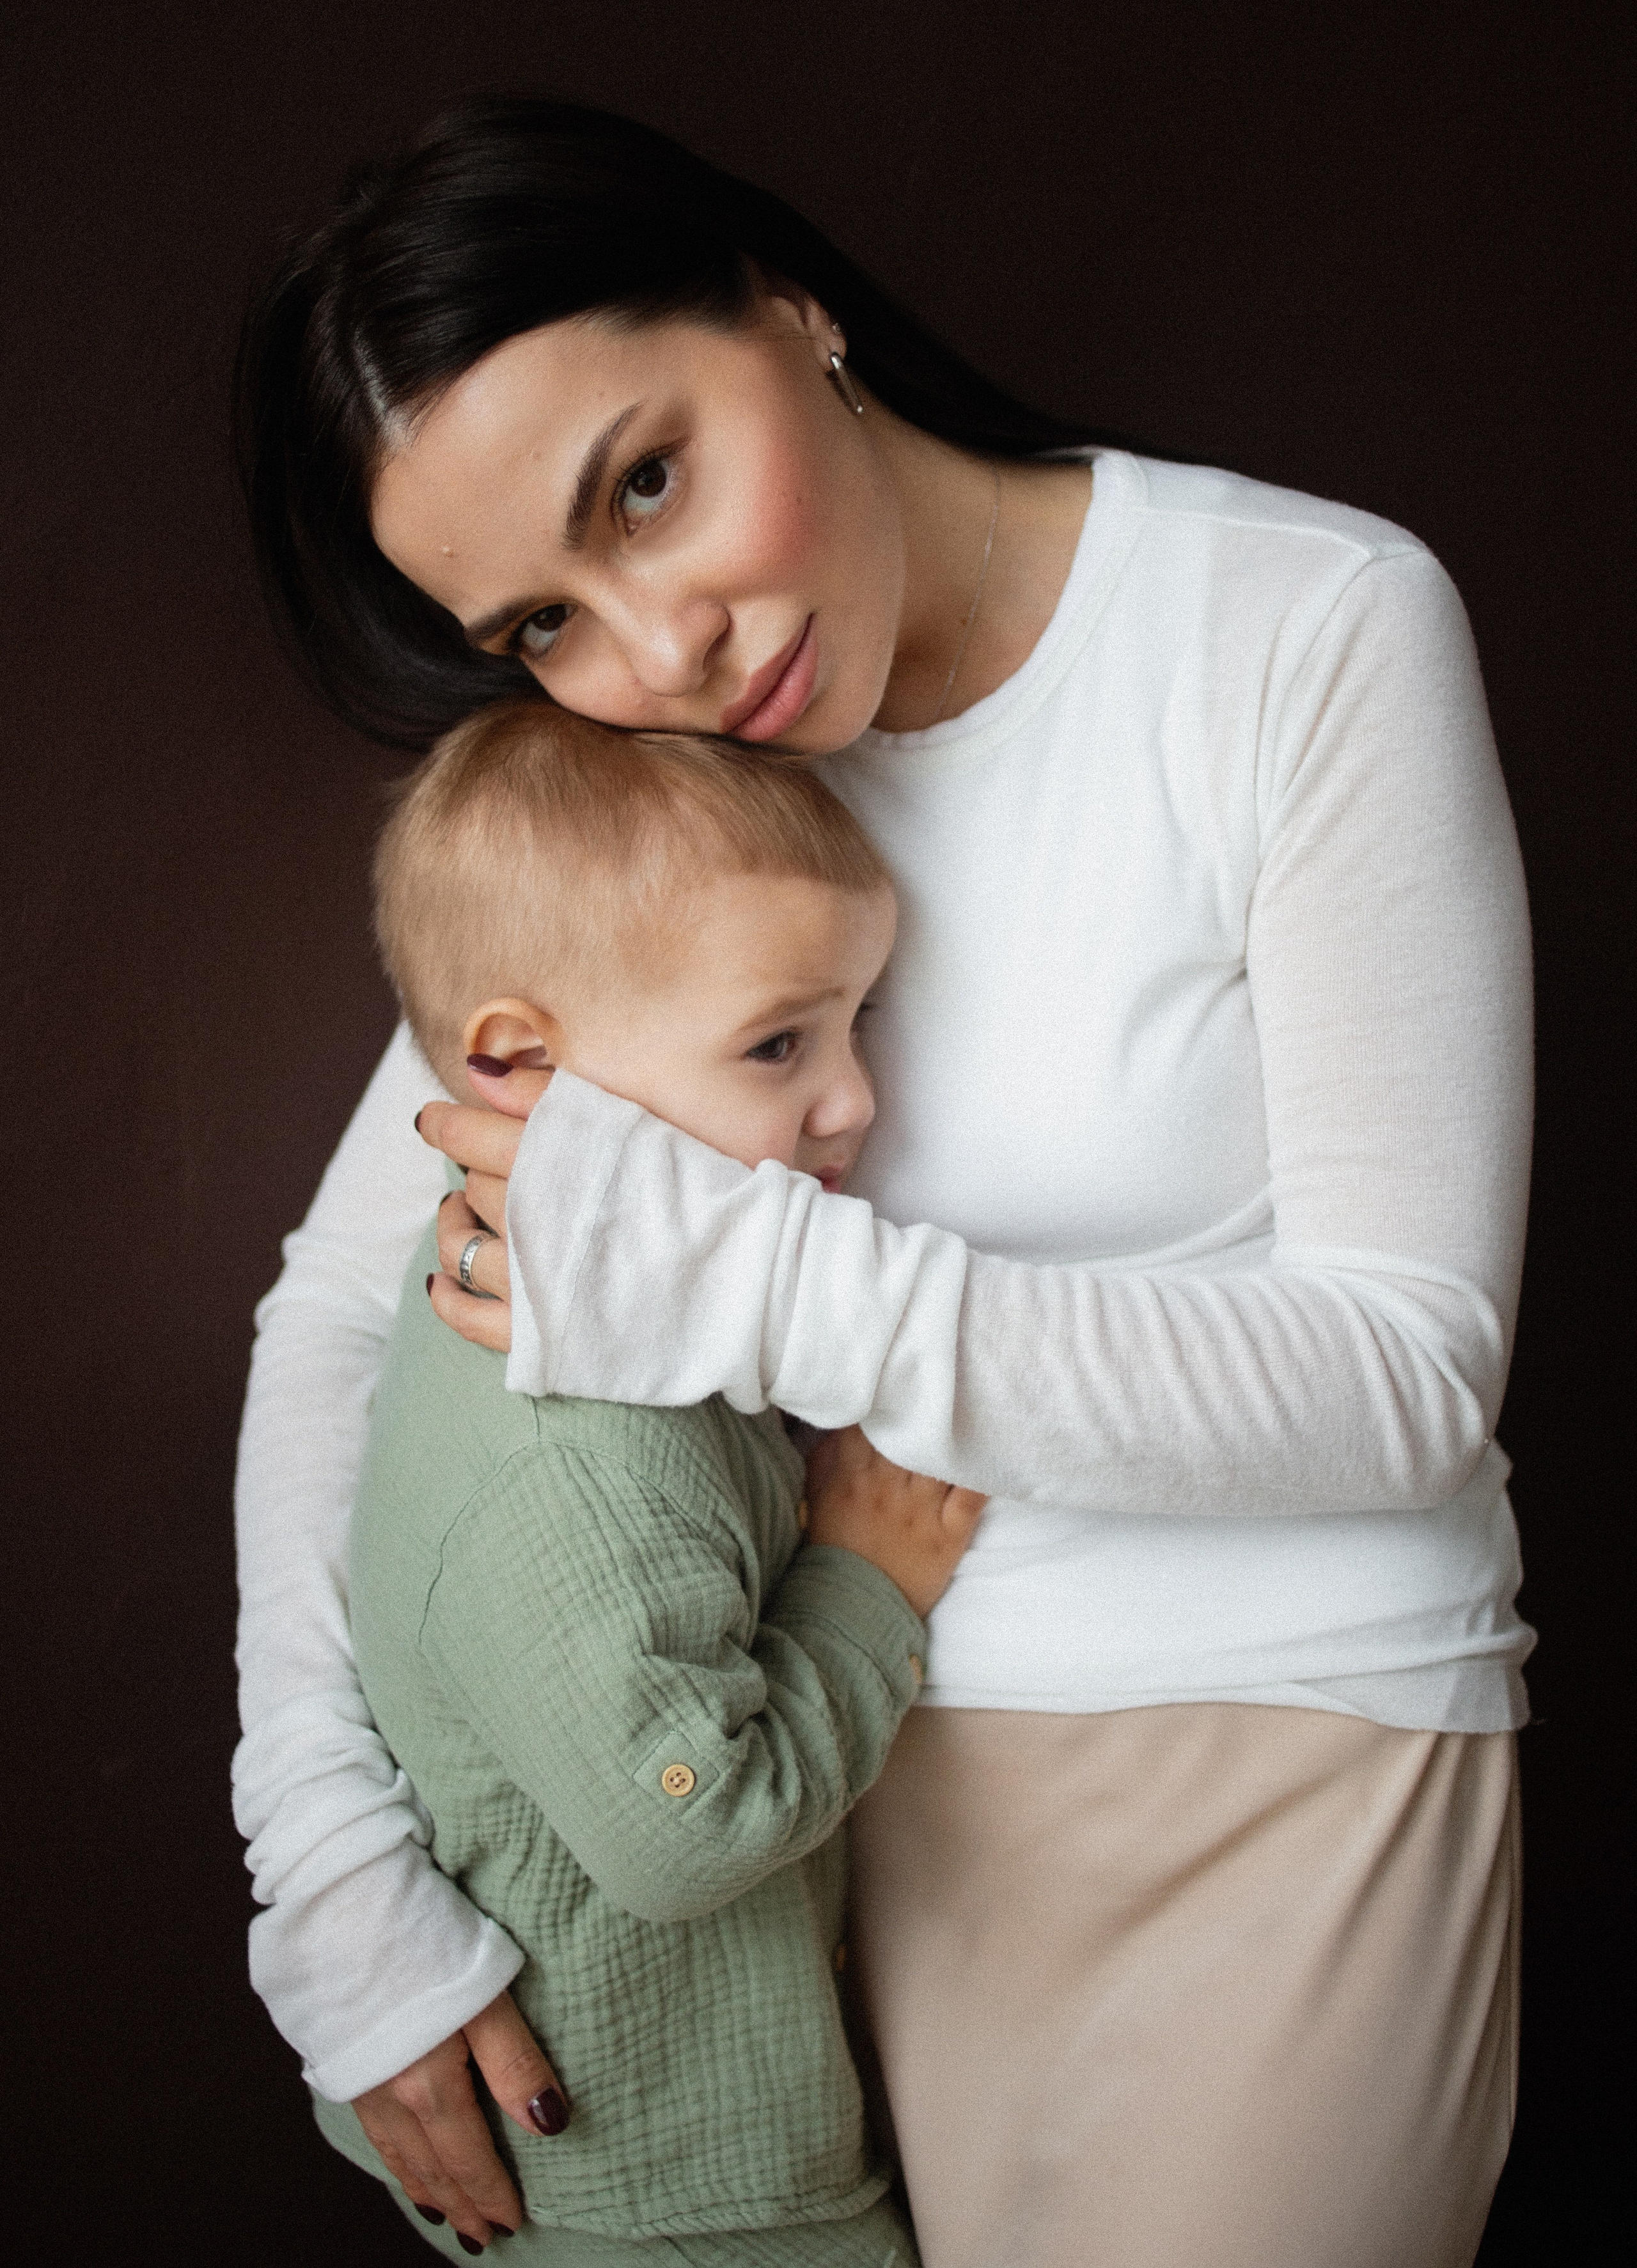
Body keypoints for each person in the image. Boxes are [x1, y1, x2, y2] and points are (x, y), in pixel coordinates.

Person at [234, 97, 1533, 2267]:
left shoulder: (1296, 626)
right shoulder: (653, 781)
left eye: (646, 481)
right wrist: (331, 1862)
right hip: (764, 1835)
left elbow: (1410, 1374)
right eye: (539, 622)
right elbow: (349, 1310)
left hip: (1276, 1764)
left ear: (786, 304)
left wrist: (761, 1284)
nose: (661, 651)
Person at [313, 698, 974, 2261]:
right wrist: (864, 1583)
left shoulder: (559, 1301)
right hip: (669, 2186)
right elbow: (687, 1824)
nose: (854, 1100)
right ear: (522, 1066)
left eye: (859, 1022)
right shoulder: (573, 1462)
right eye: (778, 1043)